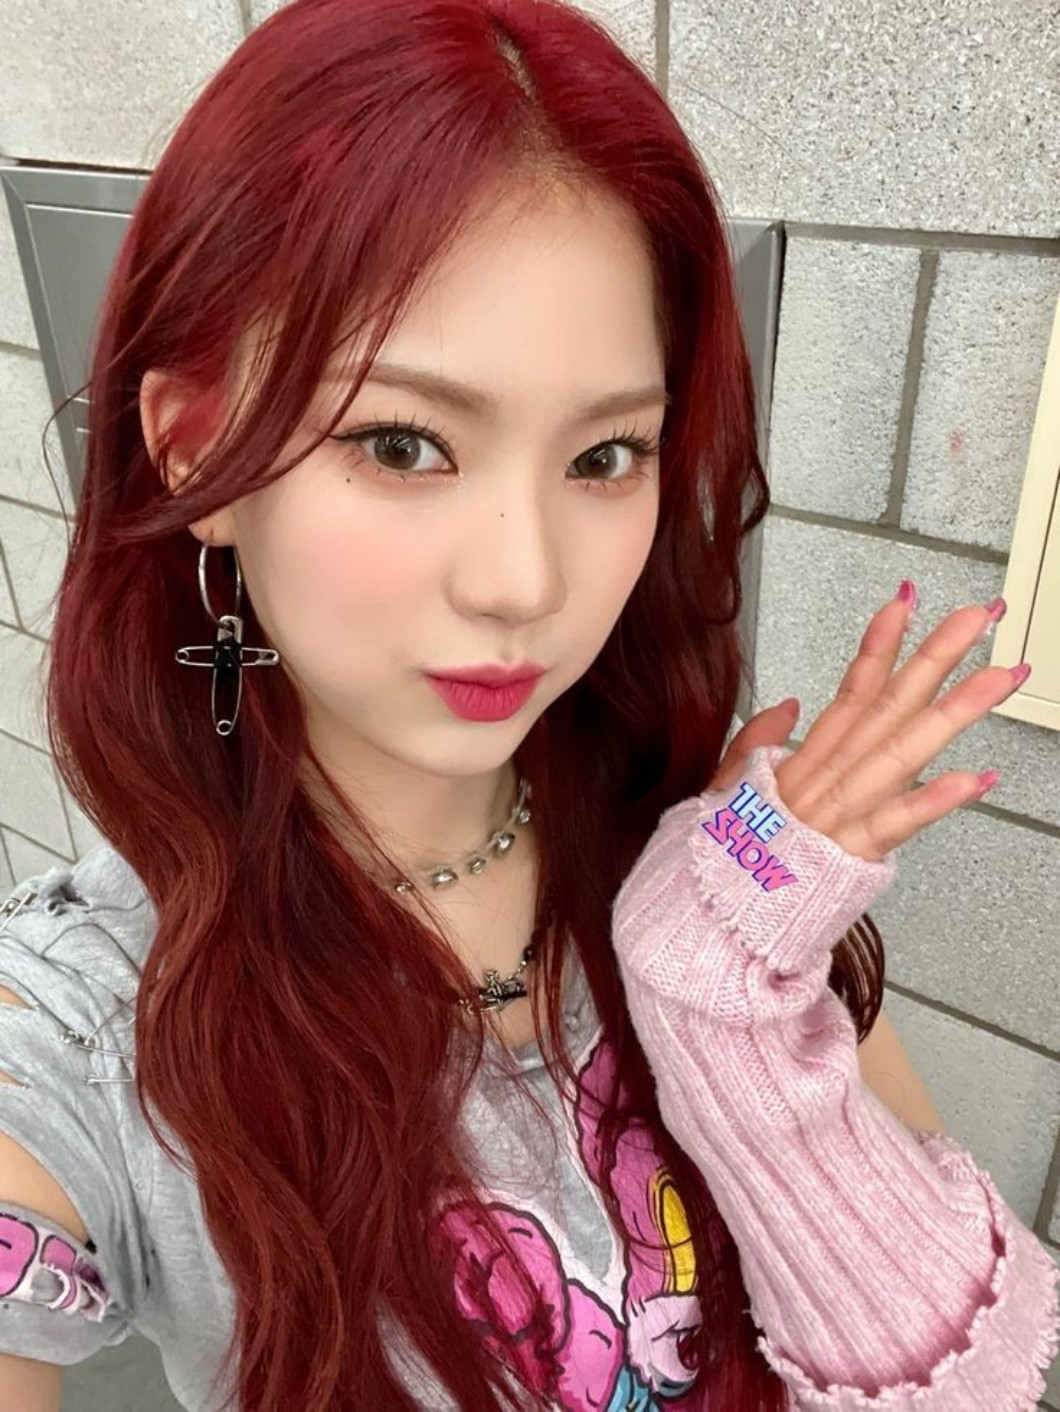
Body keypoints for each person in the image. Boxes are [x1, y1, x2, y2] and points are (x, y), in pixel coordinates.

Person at [0, 0, 1057, 1408]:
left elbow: (968, 1384)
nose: (526, 582)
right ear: (198, 450)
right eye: (402, 443)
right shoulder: (84, 1026)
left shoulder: (718, 869)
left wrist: (723, 1002)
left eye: (606, 455)